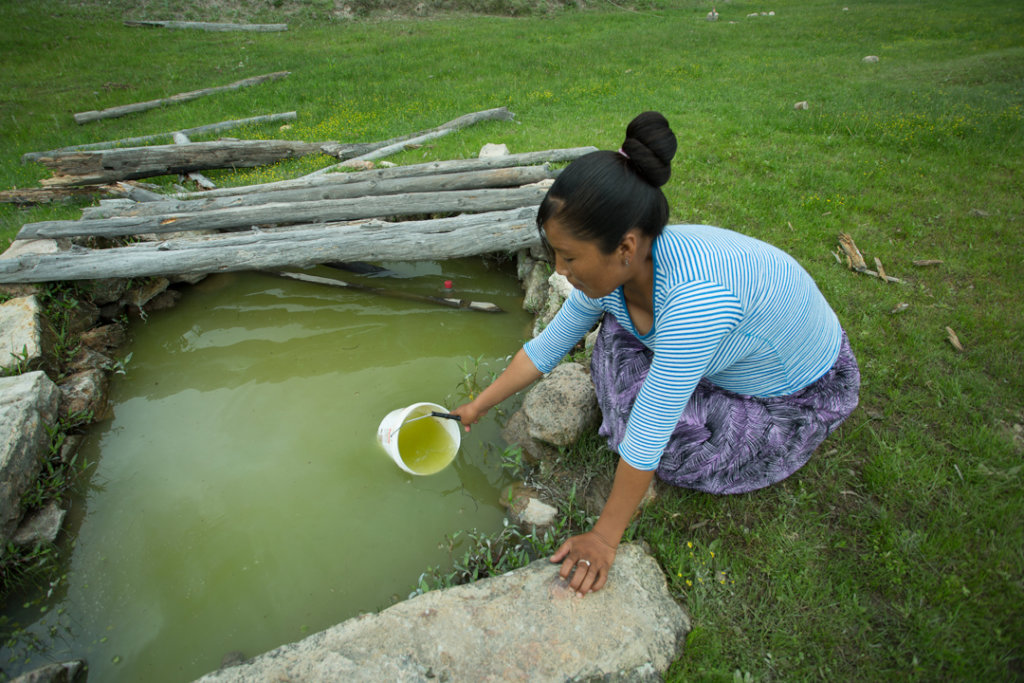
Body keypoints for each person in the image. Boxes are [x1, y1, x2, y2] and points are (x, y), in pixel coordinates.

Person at [451, 111, 860, 596]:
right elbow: (548, 346)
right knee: (615, 348)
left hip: (794, 395)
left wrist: (605, 538)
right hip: (721, 345)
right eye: (555, 254)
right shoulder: (625, 267)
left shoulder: (694, 302)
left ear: (625, 247)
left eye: (570, 257)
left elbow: (650, 428)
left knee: (670, 446)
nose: (559, 269)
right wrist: (479, 405)